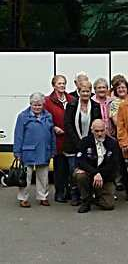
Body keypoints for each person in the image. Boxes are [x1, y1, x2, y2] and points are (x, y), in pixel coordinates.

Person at [14, 92, 56, 208]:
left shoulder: (48, 116)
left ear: (43, 105)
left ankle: (43, 197)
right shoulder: (23, 116)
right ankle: (23, 198)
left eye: (39, 105)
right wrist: (17, 152)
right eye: (34, 105)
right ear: (30, 104)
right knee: (25, 177)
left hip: (44, 150)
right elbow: (18, 135)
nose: (37, 107)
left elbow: (52, 134)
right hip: (27, 151)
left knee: (43, 177)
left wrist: (53, 149)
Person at [64, 80, 102, 206]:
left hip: (91, 144)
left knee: (89, 169)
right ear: (78, 92)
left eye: (87, 91)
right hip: (74, 144)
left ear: (91, 92)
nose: (85, 93)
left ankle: (89, 195)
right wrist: (78, 142)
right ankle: (75, 195)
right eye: (83, 91)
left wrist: (87, 143)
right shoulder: (71, 105)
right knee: (74, 171)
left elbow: (98, 124)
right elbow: (68, 125)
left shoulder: (96, 106)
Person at [74, 120, 121, 213]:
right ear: (92, 130)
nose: (99, 134)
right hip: (89, 174)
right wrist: (95, 173)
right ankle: (86, 201)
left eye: (102, 130)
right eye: (96, 131)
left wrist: (100, 174)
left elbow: (114, 164)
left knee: (109, 205)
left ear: (106, 129)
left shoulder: (113, 143)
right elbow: (80, 161)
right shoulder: (85, 141)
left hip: (106, 177)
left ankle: (95, 196)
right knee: (79, 175)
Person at [44, 75, 75, 203]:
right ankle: (59, 193)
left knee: (71, 168)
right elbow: (45, 119)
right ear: (54, 85)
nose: (62, 86)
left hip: (70, 139)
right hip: (57, 139)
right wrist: (54, 127)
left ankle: (70, 192)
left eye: (64, 83)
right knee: (59, 168)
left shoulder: (71, 99)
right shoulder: (47, 101)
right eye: (59, 83)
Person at [108, 75, 128, 193]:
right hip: (122, 136)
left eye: (123, 87)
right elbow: (117, 122)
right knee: (123, 164)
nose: (121, 90)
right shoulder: (114, 103)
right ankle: (127, 191)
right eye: (119, 88)